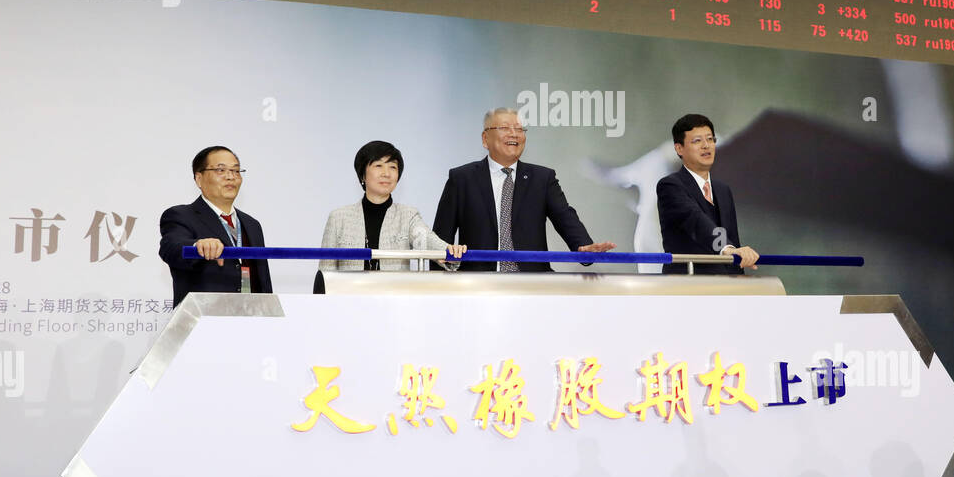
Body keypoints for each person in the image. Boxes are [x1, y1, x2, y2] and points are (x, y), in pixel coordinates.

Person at [433, 107, 615, 272]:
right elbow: (438, 243)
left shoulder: (542, 178)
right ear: (485, 138)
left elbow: (565, 217)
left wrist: (584, 248)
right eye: (505, 128)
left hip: (532, 284)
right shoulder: (462, 178)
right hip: (479, 285)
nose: (514, 134)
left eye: (519, 129)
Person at [319, 140, 465, 274]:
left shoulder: (408, 216)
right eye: (378, 165)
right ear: (363, 174)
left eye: (392, 167)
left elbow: (427, 241)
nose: (386, 173)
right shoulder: (339, 218)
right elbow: (325, 273)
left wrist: (451, 251)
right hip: (348, 299)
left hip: (393, 300)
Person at [159, 145, 273, 307]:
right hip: (206, 320)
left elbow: (262, 279)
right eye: (221, 170)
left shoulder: (252, 224)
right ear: (199, 179)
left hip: (252, 318)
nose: (230, 177)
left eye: (235, 171)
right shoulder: (181, 215)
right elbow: (171, 248)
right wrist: (196, 246)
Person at [656, 114, 759, 274]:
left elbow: (734, 244)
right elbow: (696, 220)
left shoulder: (723, 190)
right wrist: (726, 248)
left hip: (725, 289)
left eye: (710, 139)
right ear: (679, 148)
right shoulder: (670, 186)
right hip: (685, 287)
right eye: (697, 141)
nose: (706, 146)